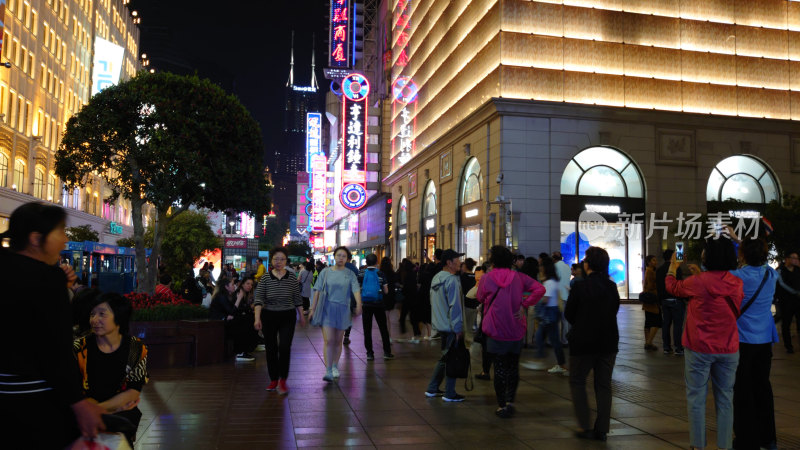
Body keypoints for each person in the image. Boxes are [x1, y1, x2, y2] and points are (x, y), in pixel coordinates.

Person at [0, 202, 105, 448]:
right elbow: (55, 348)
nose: (65, 240)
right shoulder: (48, 279)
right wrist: (78, 402)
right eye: (60, 231)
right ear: (36, 239)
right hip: (34, 399)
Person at [666, 236, 743, 450]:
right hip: (728, 348)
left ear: (709, 256)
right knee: (726, 398)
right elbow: (718, 291)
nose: (701, 255)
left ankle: (698, 445)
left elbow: (673, 287)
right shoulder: (736, 282)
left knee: (696, 397)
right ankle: (725, 445)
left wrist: (673, 266)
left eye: (704, 251)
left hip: (699, 347)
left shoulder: (697, 282)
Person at [74, 292, 149, 447]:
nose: (95, 320)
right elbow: (72, 389)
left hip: (119, 411)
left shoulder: (136, 348)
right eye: (92, 314)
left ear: (119, 317)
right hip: (83, 408)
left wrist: (99, 410)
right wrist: (91, 410)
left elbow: (134, 390)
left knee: (124, 423)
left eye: (102, 314)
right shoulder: (78, 348)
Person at [478, 246, 545, 417]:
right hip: (516, 328)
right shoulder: (519, 277)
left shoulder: (486, 278)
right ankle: (510, 401)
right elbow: (540, 289)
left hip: (495, 329)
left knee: (499, 368)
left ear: (493, 262)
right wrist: (525, 304)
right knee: (513, 367)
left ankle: (501, 405)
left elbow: (480, 297)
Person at [566, 246, 620, 443]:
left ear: (587, 264)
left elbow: (569, 313)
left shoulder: (579, 286)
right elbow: (614, 309)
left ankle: (584, 425)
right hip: (608, 342)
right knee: (604, 385)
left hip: (583, 342)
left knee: (578, 381)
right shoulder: (611, 286)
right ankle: (602, 429)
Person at [730, 238, 779, 450]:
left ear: (743, 255)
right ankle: (768, 439)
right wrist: (739, 242)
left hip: (743, 341)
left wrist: (735, 242)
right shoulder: (771, 274)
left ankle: (745, 441)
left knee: (742, 391)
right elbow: (755, 255)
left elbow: (717, 274)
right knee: (763, 388)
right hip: (765, 340)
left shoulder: (738, 277)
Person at [254, 248, 305, 394]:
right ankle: (273, 379)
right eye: (276, 259)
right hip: (269, 315)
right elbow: (259, 300)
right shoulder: (265, 278)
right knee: (271, 348)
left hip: (287, 316)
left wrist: (301, 315)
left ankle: (283, 380)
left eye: (282, 259)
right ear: (271, 260)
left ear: (286, 261)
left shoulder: (291, 277)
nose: (279, 262)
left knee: (284, 347)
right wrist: (257, 318)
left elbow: (297, 298)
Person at [309, 246, 362, 382]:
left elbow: (356, 289)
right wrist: (312, 309)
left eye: (344, 256)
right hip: (327, 308)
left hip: (343, 309)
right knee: (328, 340)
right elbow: (317, 290)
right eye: (338, 255)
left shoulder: (349, 274)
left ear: (347, 259)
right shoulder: (325, 272)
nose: (340, 258)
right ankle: (328, 370)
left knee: (338, 340)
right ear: (334, 256)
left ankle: (334, 366)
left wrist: (359, 305)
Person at [425, 249, 466, 402]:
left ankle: (432, 388)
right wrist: (458, 328)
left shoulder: (436, 278)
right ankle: (449, 393)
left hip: (440, 323)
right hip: (450, 325)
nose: (460, 262)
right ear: (449, 263)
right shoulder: (452, 279)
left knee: (445, 357)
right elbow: (454, 306)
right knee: (452, 359)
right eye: (457, 260)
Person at [532, 256, 568, 374]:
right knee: (543, 337)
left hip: (549, 314)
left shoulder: (549, 283)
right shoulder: (553, 281)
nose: (540, 269)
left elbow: (545, 299)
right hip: (552, 313)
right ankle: (544, 361)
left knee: (549, 339)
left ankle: (558, 364)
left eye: (541, 266)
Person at [210, 275, 255, 361]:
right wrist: (238, 299)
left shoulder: (227, 296)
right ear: (226, 287)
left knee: (247, 319)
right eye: (232, 284)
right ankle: (240, 352)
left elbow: (232, 312)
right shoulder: (221, 296)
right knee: (243, 323)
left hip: (226, 320)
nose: (234, 286)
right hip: (219, 323)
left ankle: (245, 350)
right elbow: (231, 311)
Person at [358, 253, 393, 360]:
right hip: (378, 304)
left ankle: (369, 353)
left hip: (366, 304)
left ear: (366, 262)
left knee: (367, 329)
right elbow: (386, 291)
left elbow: (358, 289)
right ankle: (387, 352)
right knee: (383, 328)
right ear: (376, 262)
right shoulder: (380, 273)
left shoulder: (361, 273)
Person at [657, 249, 685, 355]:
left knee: (666, 324)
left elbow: (658, 286)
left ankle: (666, 347)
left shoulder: (659, 270)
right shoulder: (677, 268)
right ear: (673, 257)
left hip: (664, 300)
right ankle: (678, 348)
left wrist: (660, 300)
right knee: (677, 325)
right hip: (676, 299)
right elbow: (679, 284)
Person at [776, 251, 800, 353]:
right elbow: (782, 284)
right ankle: (788, 347)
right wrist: (795, 292)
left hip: (798, 301)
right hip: (785, 302)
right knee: (786, 324)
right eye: (793, 258)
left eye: (797, 258)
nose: (796, 260)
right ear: (787, 259)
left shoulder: (798, 270)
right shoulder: (780, 270)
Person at [398, 258, 421, 341]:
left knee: (403, 317)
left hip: (408, 299)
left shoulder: (407, 275)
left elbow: (407, 288)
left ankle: (404, 335)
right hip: (414, 298)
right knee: (413, 317)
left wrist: (402, 289)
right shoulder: (413, 274)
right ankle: (417, 334)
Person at [520, 257, 540, 348]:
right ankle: (529, 341)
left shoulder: (521, 274)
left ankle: (523, 340)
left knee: (523, 320)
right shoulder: (536, 274)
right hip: (532, 299)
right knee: (531, 321)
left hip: (522, 299)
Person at [552, 251, 572, 344]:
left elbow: (556, 279)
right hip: (566, 295)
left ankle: (555, 340)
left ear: (553, 258)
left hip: (558, 295)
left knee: (556, 319)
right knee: (565, 320)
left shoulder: (555, 267)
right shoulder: (567, 267)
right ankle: (565, 340)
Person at [642, 255, 661, 351]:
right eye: (653, 260)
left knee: (648, 322)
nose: (655, 262)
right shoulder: (650, 272)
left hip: (647, 300)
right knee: (656, 322)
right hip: (652, 300)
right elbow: (650, 286)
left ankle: (647, 342)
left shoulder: (648, 271)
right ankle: (649, 342)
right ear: (648, 262)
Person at [460, 258, 478, 346]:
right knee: (470, 326)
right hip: (474, 305)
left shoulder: (462, 277)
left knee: (465, 327)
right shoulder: (475, 277)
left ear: (465, 266)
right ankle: (469, 344)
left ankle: (465, 346)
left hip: (465, 304)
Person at [380, 257, 397, 333]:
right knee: (388, 317)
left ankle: (385, 335)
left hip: (382, 296)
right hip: (391, 296)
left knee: (384, 318)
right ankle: (389, 335)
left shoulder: (380, 273)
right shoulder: (392, 273)